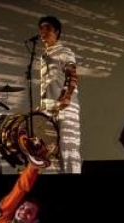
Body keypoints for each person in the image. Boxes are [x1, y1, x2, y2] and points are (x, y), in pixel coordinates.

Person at [36, 15, 81, 174]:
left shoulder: (64, 51)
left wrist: (67, 95)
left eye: (47, 28)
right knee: (50, 150)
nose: (43, 32)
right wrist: (42, 106)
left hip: (65, 107)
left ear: (57, 32)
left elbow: (72, 75)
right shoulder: (43, 56)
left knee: (67, 150)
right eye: (41, 29)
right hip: (49, 108)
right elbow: (48, 84)